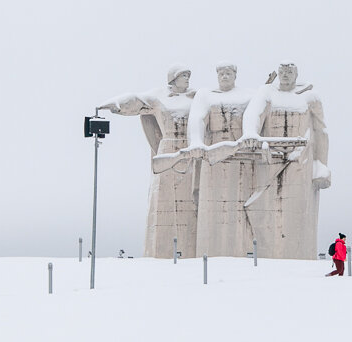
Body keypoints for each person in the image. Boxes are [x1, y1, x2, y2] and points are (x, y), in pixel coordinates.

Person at [100, 65, 199, 258]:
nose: (187, 79)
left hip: (189, 151)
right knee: (164, 200)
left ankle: (190, 251)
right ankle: (160, 252)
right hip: (167, 149)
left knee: (190, 203)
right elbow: (136, 102)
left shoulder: (196, 98)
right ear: (173, 79)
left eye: (188, 76)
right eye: (183, 76)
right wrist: (116, 105)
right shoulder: (158, 97)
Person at [240, 62, 330, 259]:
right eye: (282, 72)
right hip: (269, 161)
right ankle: (264, 256)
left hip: (300, 163)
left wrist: (321, 165)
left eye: (289, 72)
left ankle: (297, 257)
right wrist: (250, 133)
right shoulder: (267, 93)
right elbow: (252, 115)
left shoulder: (310, 97)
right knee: (263, 211)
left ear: (296, 75)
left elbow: (321, 132)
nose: (285, 75)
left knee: (296, 215)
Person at [186, 62, 255, 257]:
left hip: (240, 157)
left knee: (239, 206)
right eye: (221, 73)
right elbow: (197, 119)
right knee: (211, 206)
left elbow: (254, 120)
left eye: (228, 73)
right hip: (213, 154)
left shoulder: (248, 95)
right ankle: (209, 251)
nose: (224, 77)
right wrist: (197, 142)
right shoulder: (206, 95)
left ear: (235, 75)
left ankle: (242, 251)